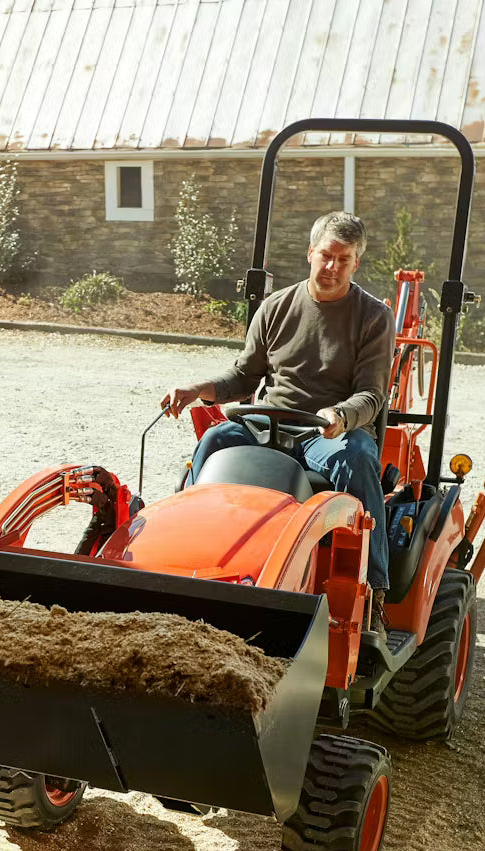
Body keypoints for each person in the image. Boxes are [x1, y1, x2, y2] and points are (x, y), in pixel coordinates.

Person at [161, 210, 393, 629]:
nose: (332, 267)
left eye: (344, 260)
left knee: (357, 458)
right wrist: (197, 390)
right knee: (214, 439)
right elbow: (243, 377)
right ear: (310, 253)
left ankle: (372, 588)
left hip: (327, 431)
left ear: (356, 263)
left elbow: (372, 395)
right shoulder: (276, 307)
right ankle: (185, 555)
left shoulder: (373, 317)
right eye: (326, 255)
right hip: (265, 422)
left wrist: (340, 415)